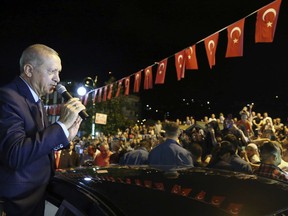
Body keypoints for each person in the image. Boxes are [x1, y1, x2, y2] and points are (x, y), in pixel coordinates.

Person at [0, 44, 86, 216]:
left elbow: (37, 143)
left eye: (59, 72)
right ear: (29, 70)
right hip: (17, 204)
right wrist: (60, 125)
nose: (57, 79)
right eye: (52, 71)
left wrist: (65, 136)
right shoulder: (7, 97)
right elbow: (15, 153)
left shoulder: (36, 100)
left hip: (36, 197)